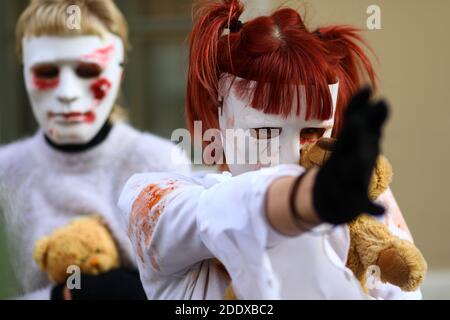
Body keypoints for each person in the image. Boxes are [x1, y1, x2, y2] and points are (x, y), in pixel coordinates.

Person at [118, 0, 421, 299]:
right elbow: (222, 212)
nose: (288, 157)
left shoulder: (361, 202)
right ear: (219, 116)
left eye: (313, 131)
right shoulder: (154, 200)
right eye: (264, 131)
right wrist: (311, 196)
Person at [0, 0, 190, 300]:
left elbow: (188, 293)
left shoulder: (161, 164)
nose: (67, 94)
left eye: (88, 70)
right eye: (47, 71)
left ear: (120, 74)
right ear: (24, 73)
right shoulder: (5, 174)